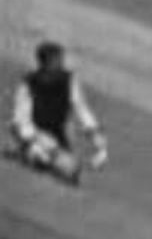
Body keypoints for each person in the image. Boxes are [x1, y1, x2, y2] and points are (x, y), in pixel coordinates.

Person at [10, 42, 108, 184]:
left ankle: (38, 157)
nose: (62, 62)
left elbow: (81, 108)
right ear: (46, 62)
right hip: (36, 133)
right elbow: (21, 119)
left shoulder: (69, 80)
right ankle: (30, 153)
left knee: (72, 172)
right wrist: (37, 140)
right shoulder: (28, 83)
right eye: (58, 59)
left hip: (58, 133)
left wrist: (95, 136)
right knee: (45, 162)